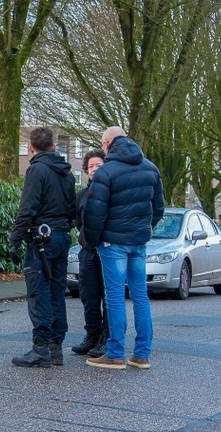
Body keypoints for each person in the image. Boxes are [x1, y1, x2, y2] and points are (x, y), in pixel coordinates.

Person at [83, 126, 164, 370]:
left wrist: (93, 240)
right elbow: (158, 208)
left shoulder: (106, 172)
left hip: (112, 243)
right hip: (138, 242)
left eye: (102, 144)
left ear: (108, 143)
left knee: (115, 297)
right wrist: (143, 229)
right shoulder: (151, 168)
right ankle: (142, 354)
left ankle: (115, 353)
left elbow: (94, 213)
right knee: (140, 296)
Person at [9, 127, 76, 368]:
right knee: (57, 291)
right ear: (54, 147)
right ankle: (56, 347)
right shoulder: (67, 174)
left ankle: (41, 348)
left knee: (38, 292)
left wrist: (15, 240)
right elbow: (72, 209)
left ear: (31, 148)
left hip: (41, 240)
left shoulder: (36, 171)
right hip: (61, 237)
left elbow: (27, 208)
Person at [72, 149, 109, 358]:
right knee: (89, 295)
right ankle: (91, 336)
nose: (94, 169)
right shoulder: (82, 195)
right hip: (87, 252)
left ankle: (106, 338)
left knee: (108, 296)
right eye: (91, 166)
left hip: (107, 250)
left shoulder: (112, 192)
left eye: (99, 165)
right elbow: (79, 221)